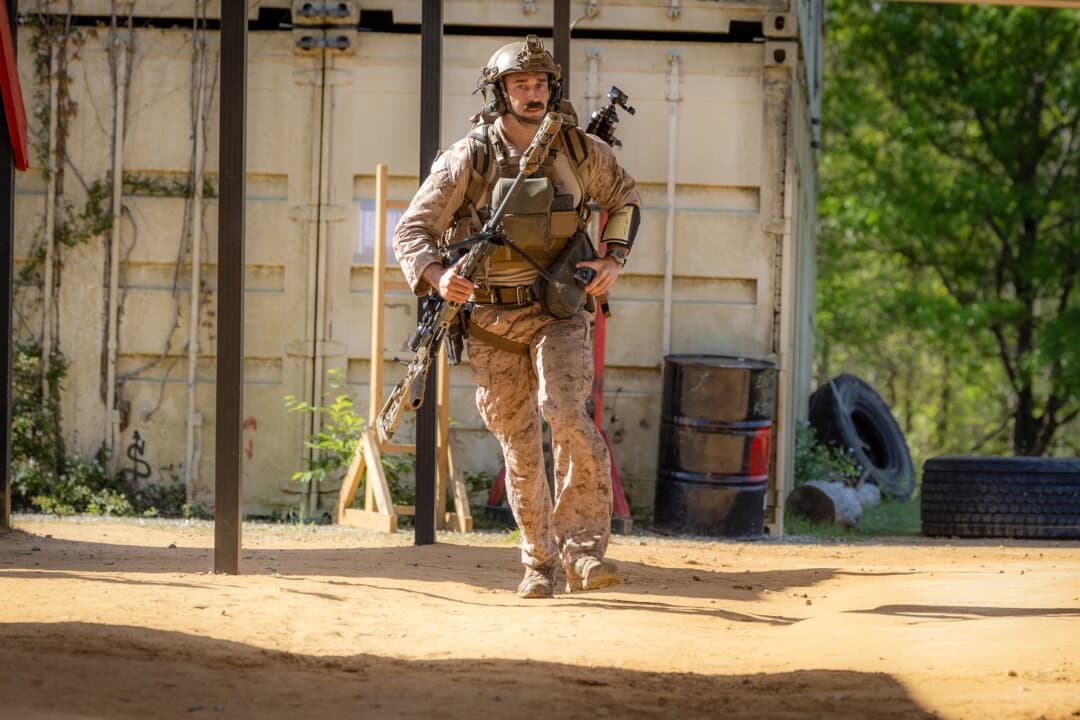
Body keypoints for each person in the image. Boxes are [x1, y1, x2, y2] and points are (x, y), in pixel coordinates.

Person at [393, 35, 641, 599]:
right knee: (520, 444)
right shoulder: (469, 157)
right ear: (499, 92)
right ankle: (538, 561)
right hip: (489, 322)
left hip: (559, 310)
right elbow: (412, 231)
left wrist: (613, 258)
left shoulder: (579, 151)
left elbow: (624, 198)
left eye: (539, 85)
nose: (532, 94)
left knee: (566, 411)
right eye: (519, 85)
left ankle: (583, 553)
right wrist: (437, 277)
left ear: (552, 88)